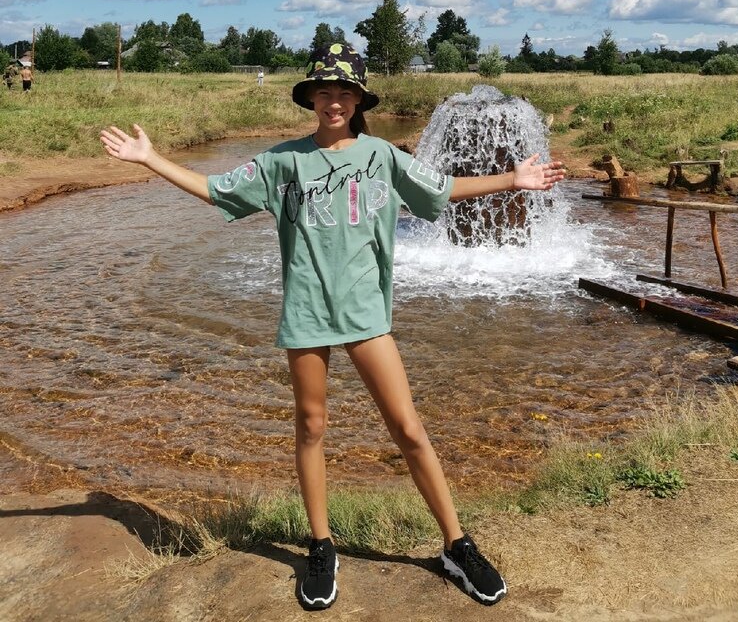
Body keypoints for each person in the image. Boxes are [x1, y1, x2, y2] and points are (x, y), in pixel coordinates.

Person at [100, 43, 565, 611]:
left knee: (409, 428)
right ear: (311, 99)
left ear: (358, 99)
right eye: (325, 92)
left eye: (345, 92)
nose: (335, 101)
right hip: (306, 314)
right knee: (311, 427)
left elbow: (440, 191)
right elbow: (216, 190)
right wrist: (151, 159)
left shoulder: (381, 156)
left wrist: (511, 179)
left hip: (367, 315)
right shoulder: (283, 162)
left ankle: (456, 544)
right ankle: (322, 546)